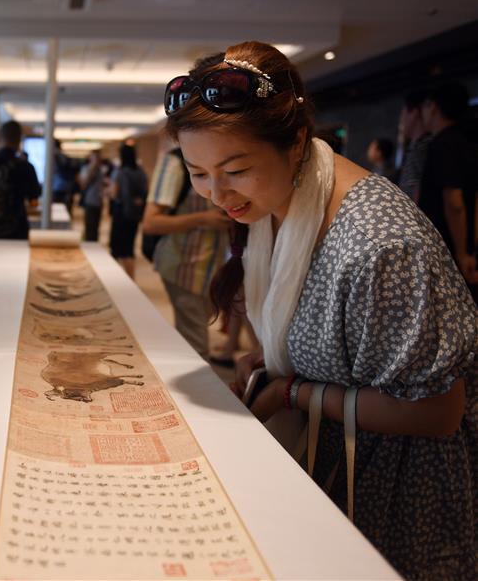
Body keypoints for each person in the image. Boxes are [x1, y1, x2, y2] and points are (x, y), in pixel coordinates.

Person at [164, 41, 476, 580]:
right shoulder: (274, 203)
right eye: (198, 172)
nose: (217, 193)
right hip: (331, 465)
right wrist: (266, 359)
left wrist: (291, 391)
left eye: (235, 169)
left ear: (296, 143)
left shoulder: (381, 246)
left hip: (396, 496)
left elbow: (438, 412)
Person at [141, 141, 231, 359]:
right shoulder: (174, 162)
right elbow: (151, 222)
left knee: (196, 336)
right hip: (184, 266)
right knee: (195, 345)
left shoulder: (220, 155)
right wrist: (203, 219)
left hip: (216, 266)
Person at [419, 82, 478, 292]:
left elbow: (454, 202)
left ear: (433, 106)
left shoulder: (442, 144)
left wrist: (462, 252)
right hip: (465, 241)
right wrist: (471, 246)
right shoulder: (467, 142)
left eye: (424, 106)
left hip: (446, 243)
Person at [108, 144, 147, 278]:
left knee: (117, 249)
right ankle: (131, 279)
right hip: (134, 213)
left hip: (120, 213)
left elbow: (114, 193)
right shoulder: (141, 172)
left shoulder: (120, 172)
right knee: (129, 249)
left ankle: (115, 279)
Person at [396, 89, 431, 203]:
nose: (401, 121)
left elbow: (419, 190)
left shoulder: (424, 146)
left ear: (414, 113)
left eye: (403, 114)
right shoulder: (416, 146)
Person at [77, 149, 105, 241]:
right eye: (94, 157)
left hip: (99, 201)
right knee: (90, 225)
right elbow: (83, 184)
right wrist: (92, 168)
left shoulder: (101, 169)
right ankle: (89, 242)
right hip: (90, 200)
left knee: (96, 226)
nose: (96, 159)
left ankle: (94, 242)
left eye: (98, 157)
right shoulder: (86, 168)